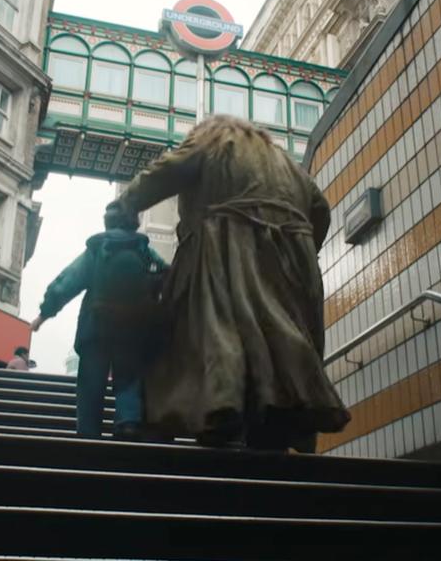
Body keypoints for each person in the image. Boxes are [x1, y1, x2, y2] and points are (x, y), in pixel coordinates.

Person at [111, 115, 350, 452]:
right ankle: (277, 422)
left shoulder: (214, 139)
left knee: (220, 329)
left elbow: (167, 170)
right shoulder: (285, 160)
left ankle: (222, 411)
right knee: (281, 339)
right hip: (292, 261)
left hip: (225, 244)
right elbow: (320, 209)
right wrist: (300, 249)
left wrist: (125, 203)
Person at [30, 204, 168, 440]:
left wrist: (44, 313)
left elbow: (67, 282)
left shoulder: (97, 248)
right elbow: (167, 277)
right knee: (129, 377)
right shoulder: (144, 251)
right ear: (134, 222)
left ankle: (88, 431)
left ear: (108, 221)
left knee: (90, 382)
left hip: (96, 327)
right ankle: (127, 422)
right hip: (133, 328)